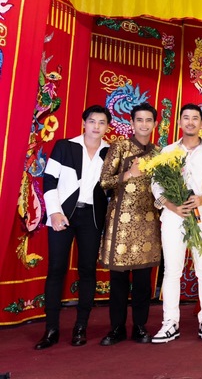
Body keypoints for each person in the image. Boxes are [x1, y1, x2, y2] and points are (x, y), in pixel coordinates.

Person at [35, 105, 111, 350]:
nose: (96, 126)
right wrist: (54, 212)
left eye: (101, 122)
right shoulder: (65, 146)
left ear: (107, 127)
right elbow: (49, 180)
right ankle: (51, 329)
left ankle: (81, 327)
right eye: (92, 121)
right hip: (63, 214)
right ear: (84, 123)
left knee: (88, 270)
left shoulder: (110, 152)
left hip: (92, 217)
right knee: (56, 269)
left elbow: (111, 187)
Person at [151, 103, 202, 343]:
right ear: (180, 122)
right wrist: (172, 206)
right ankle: (170, 322)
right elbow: (156, 184)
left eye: (195, 118)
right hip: (173, 217)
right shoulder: (167, 151)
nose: (190, 122)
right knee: (172, 270)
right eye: (186, 118)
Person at [98, 103, 162, 345]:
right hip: (121, 225)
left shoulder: (159, 154)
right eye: (139, 120)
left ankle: (140, 326)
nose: (144, 124)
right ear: (132, 123)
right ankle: (116, 328)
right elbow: (104, 182)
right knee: (119, 281)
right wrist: (128, 175)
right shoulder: (120, 147)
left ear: (155, 124)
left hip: (148, 223)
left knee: (143, 281)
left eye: (148, 120)